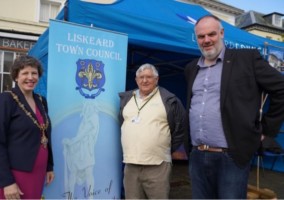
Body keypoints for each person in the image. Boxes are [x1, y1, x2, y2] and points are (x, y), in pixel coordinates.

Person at [184, 15, 284, 199]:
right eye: (201, 36)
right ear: (196, 38)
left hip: (231, 157)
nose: (206, 40)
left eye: (211, 34)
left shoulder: (246, 59)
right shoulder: (191, 68)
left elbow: (281, 88)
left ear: (222, 33)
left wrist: (265, 131)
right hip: (197, 156)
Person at [0, 55, 55, 199]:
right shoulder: (5, 100)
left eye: (34, 73)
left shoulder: (41, 101)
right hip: (16, 175)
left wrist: (49, 166)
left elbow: (45, 133)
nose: (30, 77)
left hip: (38, 171)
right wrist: (6, 182)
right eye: (25, 73)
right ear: (16, 76)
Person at [119, 63, 186, 199]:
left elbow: (180, 128)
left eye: (149, 77)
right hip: (131, 165)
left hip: (158, 165)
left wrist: (164, 148)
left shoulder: (169, 100)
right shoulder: (127, 99)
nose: (144, 80)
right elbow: (122, 123)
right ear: (136, 80)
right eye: (141, 77)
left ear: (157, 79)